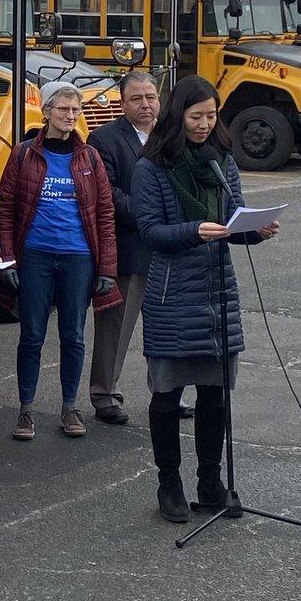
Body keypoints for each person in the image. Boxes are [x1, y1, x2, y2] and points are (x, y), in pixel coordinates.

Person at [131, 74, 280, 524]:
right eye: (196, 116)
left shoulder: (222, 161)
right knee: (168, 393)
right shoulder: (150, 167)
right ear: (177, 116)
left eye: (211, 116)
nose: (204, 124)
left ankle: (210, 481)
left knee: (215, 394)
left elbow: (233, 221)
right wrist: (191, 231)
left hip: (217, 291)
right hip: (172, 291)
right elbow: (149, 230)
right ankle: (169, 483)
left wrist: (256, 230)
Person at [0, 81, 119, 442]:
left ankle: (70, 406)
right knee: (31, 335)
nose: (71, 116)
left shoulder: (90, 158)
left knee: (73, 336)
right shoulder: (23, 154)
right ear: (46, 112)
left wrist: (107, 268)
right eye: (63, 109)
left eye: (75, 110)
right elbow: (5, 209)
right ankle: (25, 410)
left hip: (78, 257)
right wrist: (8, 259)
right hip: (34, 255)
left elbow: (106, 213)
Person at [88, 70, 176, 425]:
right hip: (128, 248)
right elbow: (105, 192)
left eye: (151, 97)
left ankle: (167, 392)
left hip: (169, 250)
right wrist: (148, 216)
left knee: (167, 327)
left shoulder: (172, 136)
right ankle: (104, 394)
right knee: (115, 328)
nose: (145, 104)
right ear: (122, 103)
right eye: (136, 98)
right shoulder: (104, 139)